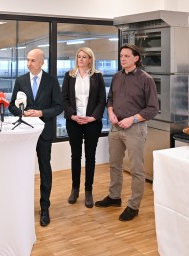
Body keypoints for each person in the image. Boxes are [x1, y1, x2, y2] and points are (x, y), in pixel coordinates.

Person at [95, 44, 159, 221]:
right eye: (121, 56)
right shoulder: (116, 76)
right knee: (114, 165)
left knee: (136, 169)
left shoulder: (146, 79)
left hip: (135, 129)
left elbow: (153, 108)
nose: (122, 59)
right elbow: (110, 99)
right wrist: (110, 112)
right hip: (116, 127)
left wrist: (133, 119)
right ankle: (114, 197)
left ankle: (133, 206)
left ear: (136, 58)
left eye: (126, 56)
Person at [9, 49, 63, 227]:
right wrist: (23, 113)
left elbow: (58, 107)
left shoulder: (52, 81)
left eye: (32, 60)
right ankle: (20, 207)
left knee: (45, 169)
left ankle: (44, 208)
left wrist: (40, 113)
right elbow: (11, 106)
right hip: (24, 132)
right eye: (27, 60)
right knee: (21, 170)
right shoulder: (21, 80)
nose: (28, 63)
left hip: (44, 133)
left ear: (41, 62)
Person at [62, 47, 106, 208]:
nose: (81, 59)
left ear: (90, 60)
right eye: (79, 57)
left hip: (92, 122)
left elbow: (102, 99)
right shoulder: (69, 75)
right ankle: (75, 189)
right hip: (74, 121)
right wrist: (72, 115)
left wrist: (92, 117)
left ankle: (88, 191)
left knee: (90, 156)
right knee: (75, 156)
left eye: (84, 57)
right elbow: (64, 98)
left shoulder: (97, 76)